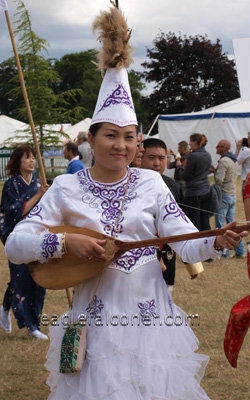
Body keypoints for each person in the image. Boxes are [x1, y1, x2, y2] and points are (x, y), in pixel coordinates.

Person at [4, 5, 248, 399]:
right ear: (93, 138)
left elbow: (183, 238)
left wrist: (217, 240)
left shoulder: (151, 183)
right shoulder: (67, 188)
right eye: (111, 135)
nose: (121, 145)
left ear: (138, 142)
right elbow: (16, 246)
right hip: (93, 324)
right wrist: (67, 243)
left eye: (130, 136)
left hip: (152, 320)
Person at [0, 145, 49, 339]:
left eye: (33, 158)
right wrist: (37, 196)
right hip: (18, 237)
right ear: (18, 161)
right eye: (27, 158)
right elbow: (11, 211)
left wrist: (46, 196)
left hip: (37, 236)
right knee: (21, 278)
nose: (31, 161)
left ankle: (9, 311)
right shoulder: (11, 186)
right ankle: (30, 326)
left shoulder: (39, 183)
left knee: (38, 278)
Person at [140, 137, 183, 293]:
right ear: (140, 158)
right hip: (138, 255)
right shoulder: (130, 184)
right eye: (151, 158)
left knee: (165, 300)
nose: (157, 163)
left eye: (161, 158)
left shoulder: (173, 186)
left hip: (166, 253)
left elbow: (180, 224)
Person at [212, 139, 246, 259]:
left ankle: (224, 252)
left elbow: (219, 180)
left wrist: (215, 176)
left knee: (221, 225)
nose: (216, 147)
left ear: (224, 147)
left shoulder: (224, 161)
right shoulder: (233, 159)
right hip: (232, 195)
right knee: (232, 226)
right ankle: (241, 251)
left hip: (224, 195)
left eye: (218, 146)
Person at [176, 133, 212, 232]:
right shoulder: (207, 154)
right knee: (205, 221)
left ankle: (197, 245)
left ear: (195, 142)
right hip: (205, 190)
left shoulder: (193, 156)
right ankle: (208, 243)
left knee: (194, 223)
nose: (189, 144)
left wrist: (179, 166)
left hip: (193, 192)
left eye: (190, 141)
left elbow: (184, 176)